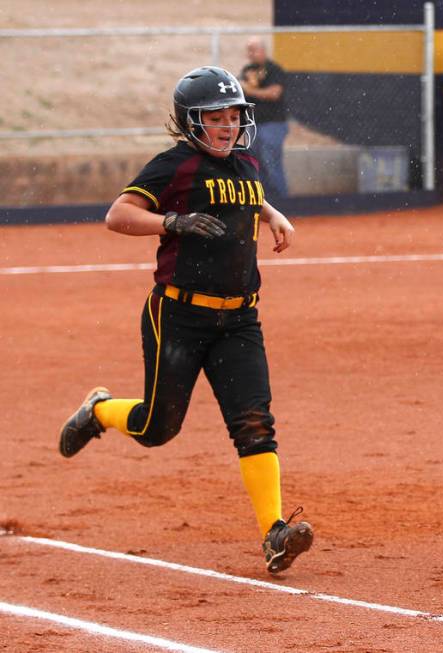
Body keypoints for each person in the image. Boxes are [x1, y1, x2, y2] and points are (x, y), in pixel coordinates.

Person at [57, 66, 312, 576]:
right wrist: (170, 220)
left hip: (240, 320)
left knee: (255, 423)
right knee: (157, 428)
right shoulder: (174, 166)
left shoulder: (245, 162)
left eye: (234, 116)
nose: (226, 126)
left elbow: (242, 192)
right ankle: (101, 410)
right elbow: (118, 215)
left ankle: (275, 532)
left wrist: (272, 213)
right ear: (190, 123)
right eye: (213, 118)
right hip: (177, 315)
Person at [240, 37, 289, 199]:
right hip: (253, 124)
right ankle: (262, 199)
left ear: (262, 51)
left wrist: (250, 91)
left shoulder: (274, 69)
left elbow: (274, 93)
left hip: (273, 124)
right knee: (254, 163)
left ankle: (282, 200)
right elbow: (241, 88)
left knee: (271, 162)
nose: (250, 54)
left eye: (253, 50)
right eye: (248, 50)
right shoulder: (248, 69)